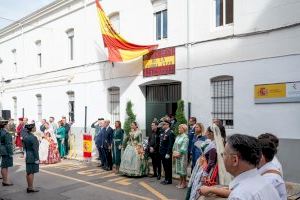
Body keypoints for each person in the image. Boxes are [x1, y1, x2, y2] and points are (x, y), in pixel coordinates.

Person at [224, 134, 280, 200]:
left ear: (234, 160)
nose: (223, 157)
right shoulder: (268, 186)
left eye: (224, 154)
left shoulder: (239, 195)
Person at [23, 123, 40, 193]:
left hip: (28, 154)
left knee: (28, 171)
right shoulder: (33, 137)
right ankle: (30, 188)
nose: (35, 128)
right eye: (34, 127)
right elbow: (35, 149)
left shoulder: (25, 136)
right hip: (32, 155)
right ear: (32, 129)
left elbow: (24, 147)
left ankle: (29, 187)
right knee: (31, 172)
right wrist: (37, 158)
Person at [173, 124, 189, 189]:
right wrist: (174, 152)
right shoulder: (178, 136)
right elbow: (174, 145)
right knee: (179, 169)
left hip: (182, 156)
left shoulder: (185, 137)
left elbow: (184, 147)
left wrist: (179, 154)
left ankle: (184, 183)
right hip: (177, 155)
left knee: (183, 169)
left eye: (180, 128)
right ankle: (180, 181)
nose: (179, 129)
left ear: (184, 129)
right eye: (179, 128)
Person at [159, 120, 175, 185]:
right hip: (162, 152)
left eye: (164, 124)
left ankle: (169, 180)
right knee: (165, 167)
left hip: (167, 153)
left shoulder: (170, 133)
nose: (163, 125)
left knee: (168, 167)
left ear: (168, 125)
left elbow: (170, 144)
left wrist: (168, 153)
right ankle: (166, 179)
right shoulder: (163, 132)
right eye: (163, 124)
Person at [0, 120, 13, 186]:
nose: (8, 125)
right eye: (7, 124)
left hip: (1, 149)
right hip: (5, 150)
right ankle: (5, 181)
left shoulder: (1, 131)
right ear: (5, 125)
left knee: (3, 165)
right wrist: (11, 153)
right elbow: (8, 144)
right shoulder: (6, 133)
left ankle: (5, 180)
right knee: (5, 166)